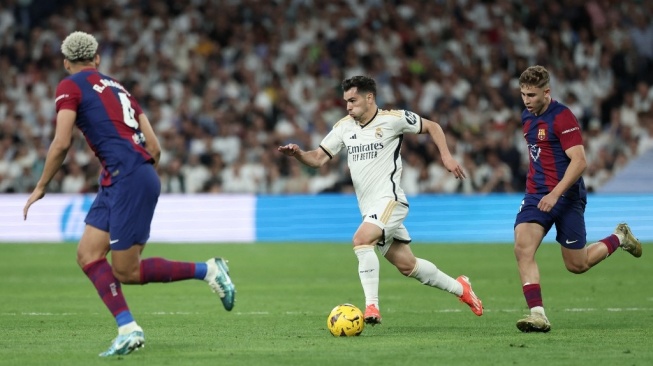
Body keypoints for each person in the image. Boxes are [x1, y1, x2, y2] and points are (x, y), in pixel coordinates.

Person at [22, 31, 236, 356]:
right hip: (127, 175)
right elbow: (156, 147)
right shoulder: (119, 87)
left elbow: (62, 142)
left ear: (66, 63)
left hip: (126, 178)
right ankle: (128, 328)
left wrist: (41, 186)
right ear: (96, 59)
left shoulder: (69, 86)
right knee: (88, 254)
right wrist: (138, 172)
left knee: (127, 271)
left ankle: (208, 270)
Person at [278, 76, 484, 324]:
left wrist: (447, 158)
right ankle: (462, 289)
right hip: (370, 209)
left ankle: (371, 308)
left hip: (391, 200)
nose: (348, 106)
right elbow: (318, 158)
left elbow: (433, 126)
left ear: (369, 98)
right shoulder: (344, 127)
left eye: (352, 100)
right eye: (345, 101)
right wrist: (299, 154)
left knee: (361, 240)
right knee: (408, 266)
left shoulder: (393, 120)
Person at [513, 65, 642, 333]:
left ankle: (619, 237)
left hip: (566, 197)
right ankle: (538, 314)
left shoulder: (563, 117)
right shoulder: (527, 116)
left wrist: (555, 193)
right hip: (537, 194)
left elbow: (580, 161)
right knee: (523, 248)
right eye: (523, 94)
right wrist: (542, 192)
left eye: (532, 95)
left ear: (546, 93)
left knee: (577, 264)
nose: (526, 100)